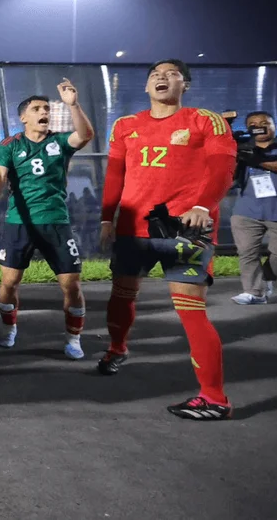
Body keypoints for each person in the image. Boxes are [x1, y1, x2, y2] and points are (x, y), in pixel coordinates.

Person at [97, 59, 237, 420]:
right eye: (154, 75)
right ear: (146, 87)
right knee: (121, 294)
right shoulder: (125, 126)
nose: (161, 77)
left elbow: (223, 168)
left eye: (171, 73)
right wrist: (105, 220)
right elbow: (115, 174)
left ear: (184, 85)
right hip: (132, 229)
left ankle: (215, 399)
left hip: (186, 230)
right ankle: (117, 348)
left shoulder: (205, 120)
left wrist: (203, 206)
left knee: (190, 311)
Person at [0, 81, 94, 358]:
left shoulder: (59, 141)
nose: (43, 112)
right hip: (19, 223)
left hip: (56, 221)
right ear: (24, 118)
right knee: (9, 283)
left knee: (72, 284)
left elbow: (86, 135)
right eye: (36, 109)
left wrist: (73, 104)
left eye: (46, 108)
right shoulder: (10, 145)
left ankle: (73, 339)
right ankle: (9, 329)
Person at [229, 111, 277, 304]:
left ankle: (266, 280)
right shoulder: (242, 149)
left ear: (273, 125)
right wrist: (235, 158)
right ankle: (254, 292)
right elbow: (230, 180)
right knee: (247, 252)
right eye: (253, 124)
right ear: (248, 129)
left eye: (265, 122)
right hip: (246, 210)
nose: (259, 126)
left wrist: (257, 161)